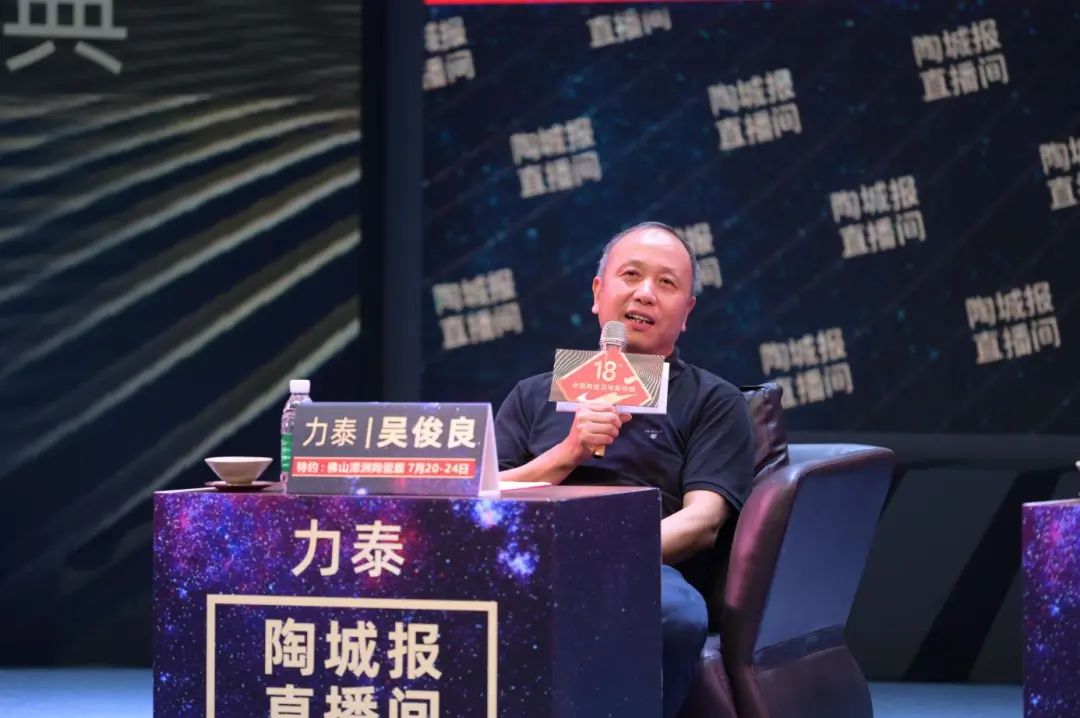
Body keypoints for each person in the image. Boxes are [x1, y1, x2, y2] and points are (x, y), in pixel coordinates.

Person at [495, 221, 755, 718]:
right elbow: (481, 493)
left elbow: (702, 521)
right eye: (631, 275)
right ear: (598, 293)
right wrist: (567, 453)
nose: (645, 293)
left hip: (641, 569)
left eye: (666, 283)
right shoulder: (532, 394)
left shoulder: (713, 400)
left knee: (675, 615)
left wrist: (600, 556)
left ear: (687, 312)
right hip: (527, 560)